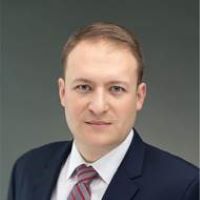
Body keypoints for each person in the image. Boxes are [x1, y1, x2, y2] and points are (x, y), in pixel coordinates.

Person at [8, 22, 199, 200]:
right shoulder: (27, 170)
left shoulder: (184, 188)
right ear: (63, 92)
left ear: (139, 97)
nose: (98, 107)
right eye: (84, 87)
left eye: (116, 88)